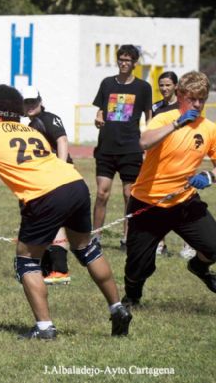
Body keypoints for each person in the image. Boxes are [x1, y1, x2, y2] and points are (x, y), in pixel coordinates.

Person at [0, 85, 132, 339]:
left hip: (44, 195)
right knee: (86, 248)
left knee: (27, 261)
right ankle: (117, 308)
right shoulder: (31, 130)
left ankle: (44, 328)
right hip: (75, 184)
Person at [122, 71, 216, 309]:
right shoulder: (165, 118)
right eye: (192, 98)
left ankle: (198, 266)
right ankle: (132, 296)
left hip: (184, 202)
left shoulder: (209, 128)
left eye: (201, 99)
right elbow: (144, 142)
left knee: (213, 246)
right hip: (148, 203)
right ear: (180, 95)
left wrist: (210, 175)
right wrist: (176, 124)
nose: (197, 104)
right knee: (138, 266)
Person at [92, 44, 152, 250]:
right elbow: (100, 110)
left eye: (128, 60)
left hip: (131, 148)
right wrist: (98, 118)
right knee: (102, 193)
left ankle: (127, 238)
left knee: (129, 195)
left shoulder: (143, 87)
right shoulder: (107, 83)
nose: (124, 63)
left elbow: (149, 116)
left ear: (134, 63)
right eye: (121, 59)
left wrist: (150, 140)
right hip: (106, 148)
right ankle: (95, 237)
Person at [21, 86, 72, 285]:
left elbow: (62, 140)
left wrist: (60, 168)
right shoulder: (31, 124)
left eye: (33, 101)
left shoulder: (49, 118)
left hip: (56, 177)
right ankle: (47, 267)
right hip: (41, 178)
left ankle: (60, 270)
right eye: (26, 102)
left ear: (40, 100)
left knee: (55, 221)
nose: (30, 105)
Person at [151, 71, 196, 260]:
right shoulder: (156, 107)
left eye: (168, 85)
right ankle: (159, 244)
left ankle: (189, 245)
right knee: (159, 202)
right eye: (161, 85)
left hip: (181, 159)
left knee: (183, 202)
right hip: (160, 160)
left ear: (176, 87)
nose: (164, 89)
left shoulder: (182, 107)